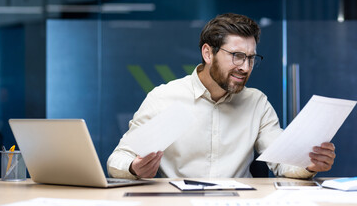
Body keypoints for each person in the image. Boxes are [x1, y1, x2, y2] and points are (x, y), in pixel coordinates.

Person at [107, 13, 336, 179]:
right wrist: (133, 167)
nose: (245, 67)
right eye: (237, 56)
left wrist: (310, 164)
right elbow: (118, 159)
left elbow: (282, 161)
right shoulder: (164, 98)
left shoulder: (256, 102)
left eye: (251, 58)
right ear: (208, 53)